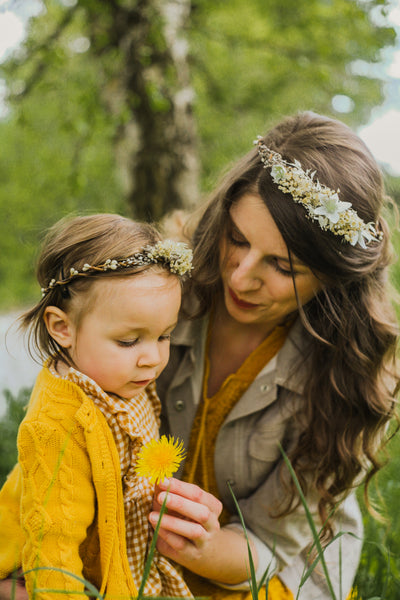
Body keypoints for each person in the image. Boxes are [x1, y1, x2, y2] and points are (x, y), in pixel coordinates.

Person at [150, 112, 400, 600]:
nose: (241, 277)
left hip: (274, 569)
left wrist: (195, 545)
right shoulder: (163, 286)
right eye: (237, 240)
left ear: (330, 275)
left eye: (282, 266)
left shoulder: (349, 375)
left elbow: (267, 548)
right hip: (150, 538)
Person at [0, 213, 194, 599]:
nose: (152, 358)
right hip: (52, 572)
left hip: (116, 561)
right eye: (128, 341)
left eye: (164, 336)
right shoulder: (55, 427)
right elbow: (52, 547)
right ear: (62, 328)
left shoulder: (119, 382)